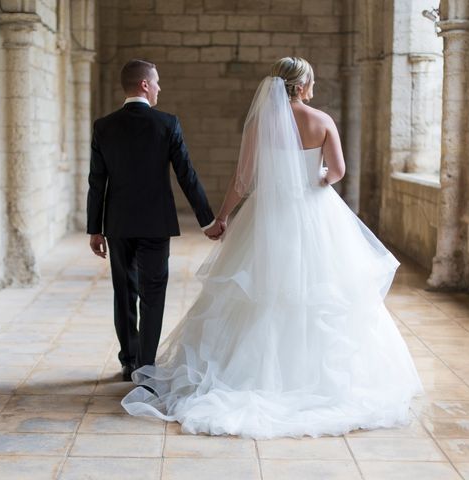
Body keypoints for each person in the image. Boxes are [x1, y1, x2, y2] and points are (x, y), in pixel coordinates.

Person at [121, 57, 423, 439]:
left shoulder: (261, 124)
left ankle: (249, 375)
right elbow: (339, 171)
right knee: (321, 292)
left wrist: (223, 218)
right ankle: (312, 378)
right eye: (310, 81)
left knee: (259, 290)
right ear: (302, 86)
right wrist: (316, 179)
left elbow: (242, 179)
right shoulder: (322, 121)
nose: (312, 87)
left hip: (269, 215)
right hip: (316, 213)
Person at [87, 59, 225, 382]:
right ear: (145, 85)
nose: (160, 88)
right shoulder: (167, 124)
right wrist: (208, 221)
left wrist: (95, 228)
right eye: (157, 82)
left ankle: (128, 360)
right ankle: (145, 365)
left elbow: (97, 181)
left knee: (124, 291)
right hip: (154, 225)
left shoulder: (103, 127)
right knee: (153, 293)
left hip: (118, 225)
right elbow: (186, 175)